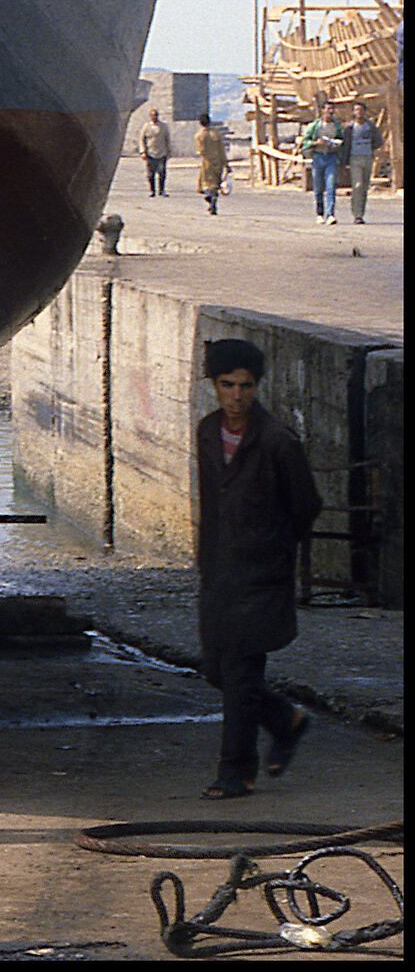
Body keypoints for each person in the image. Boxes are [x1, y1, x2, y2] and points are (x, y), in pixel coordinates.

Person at [196, 337, 321, 799]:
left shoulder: (277, 441)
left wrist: (273, 548)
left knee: (241, 673)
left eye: (245, 386)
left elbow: (306, 505)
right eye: (227, 385)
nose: (236, 396)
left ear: (256, 387)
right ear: (214, 385)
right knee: (217, 671)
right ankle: (286, 720)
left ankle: (235, 772)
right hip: (219, 572)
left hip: (261, 577)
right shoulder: (207, 432)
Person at [298, 99, 345, 225]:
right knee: (318, 187)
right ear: (323, 110)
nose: (330, 111)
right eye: (328, 109)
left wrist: (336, 145)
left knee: (331, 186)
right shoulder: (315, 126)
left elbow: (341, 140)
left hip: (331, 157)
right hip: (318, 157)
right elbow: (305, 141)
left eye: (332, 109)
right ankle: (319, 213)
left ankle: (330, 214)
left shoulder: (336, 127)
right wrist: (316, 143)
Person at [342, 100, 382, 226]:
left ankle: (361, 213)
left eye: (361, 110)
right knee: (357, 185)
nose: (359, 112)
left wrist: (370, 148)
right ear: (354, 112)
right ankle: (357, 214)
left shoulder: (370, 126)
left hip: (367, 158)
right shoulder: (349, 127)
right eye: (356, 110)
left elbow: (378, 141)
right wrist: (344, 161)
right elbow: (345, 144)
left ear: (365, 111)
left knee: (364, 187)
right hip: (355, 158)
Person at [194, 113, 227, 215]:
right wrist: (226, 164)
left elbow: (200, 151)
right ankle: (213, 201)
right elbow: (222, 150)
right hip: (218, 162)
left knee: (207, 183)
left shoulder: (199, 135)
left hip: (207, 162)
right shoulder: (216, 134)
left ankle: (210, 198)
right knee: (216, 184)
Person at [141, 107, 171, 197]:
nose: (154, 117)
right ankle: (152, 191)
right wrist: (143, 152)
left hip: (161, 152)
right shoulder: (146, 126)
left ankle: (161, 190)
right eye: (152, 115)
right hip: (150, 153)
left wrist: (168, 151)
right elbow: (142, 139)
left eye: (156, 115)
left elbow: (167, 139)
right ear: (150, 116)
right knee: (150, 174)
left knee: (162, 172)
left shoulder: (163, 126)